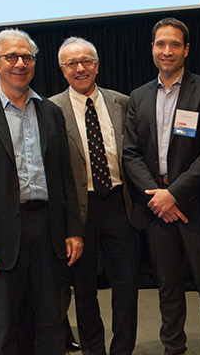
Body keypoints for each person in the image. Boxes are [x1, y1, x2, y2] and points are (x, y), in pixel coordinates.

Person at [0, 28, 84, 354]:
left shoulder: (51, 112)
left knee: (52, 323)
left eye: (27, 56)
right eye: (11, 56)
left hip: (48, 229)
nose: (20, 63)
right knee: (5, 327)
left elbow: (65, 178)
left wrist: (73, 230)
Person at [122, 17, 200, 354]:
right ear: (152, 49)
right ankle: (173, 347)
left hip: (193, 204)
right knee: (167, 285)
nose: (166, 51)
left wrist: (175, 195)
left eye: (173, 44)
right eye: (160, 44)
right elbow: (130, 153)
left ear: (186, 49)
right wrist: (158, 198)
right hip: (156, 206)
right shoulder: (138, 96)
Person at [50, 37, 138, 355]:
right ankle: (94, 351)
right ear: (62, 70)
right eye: (72, 63)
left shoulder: (123, 102)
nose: (80, 68)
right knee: (84, 289)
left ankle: (122, 350)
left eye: (86, 61)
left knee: (127, 286)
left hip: (119, 204)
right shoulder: (50, 110)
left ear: (97, 65)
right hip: (78, 211)